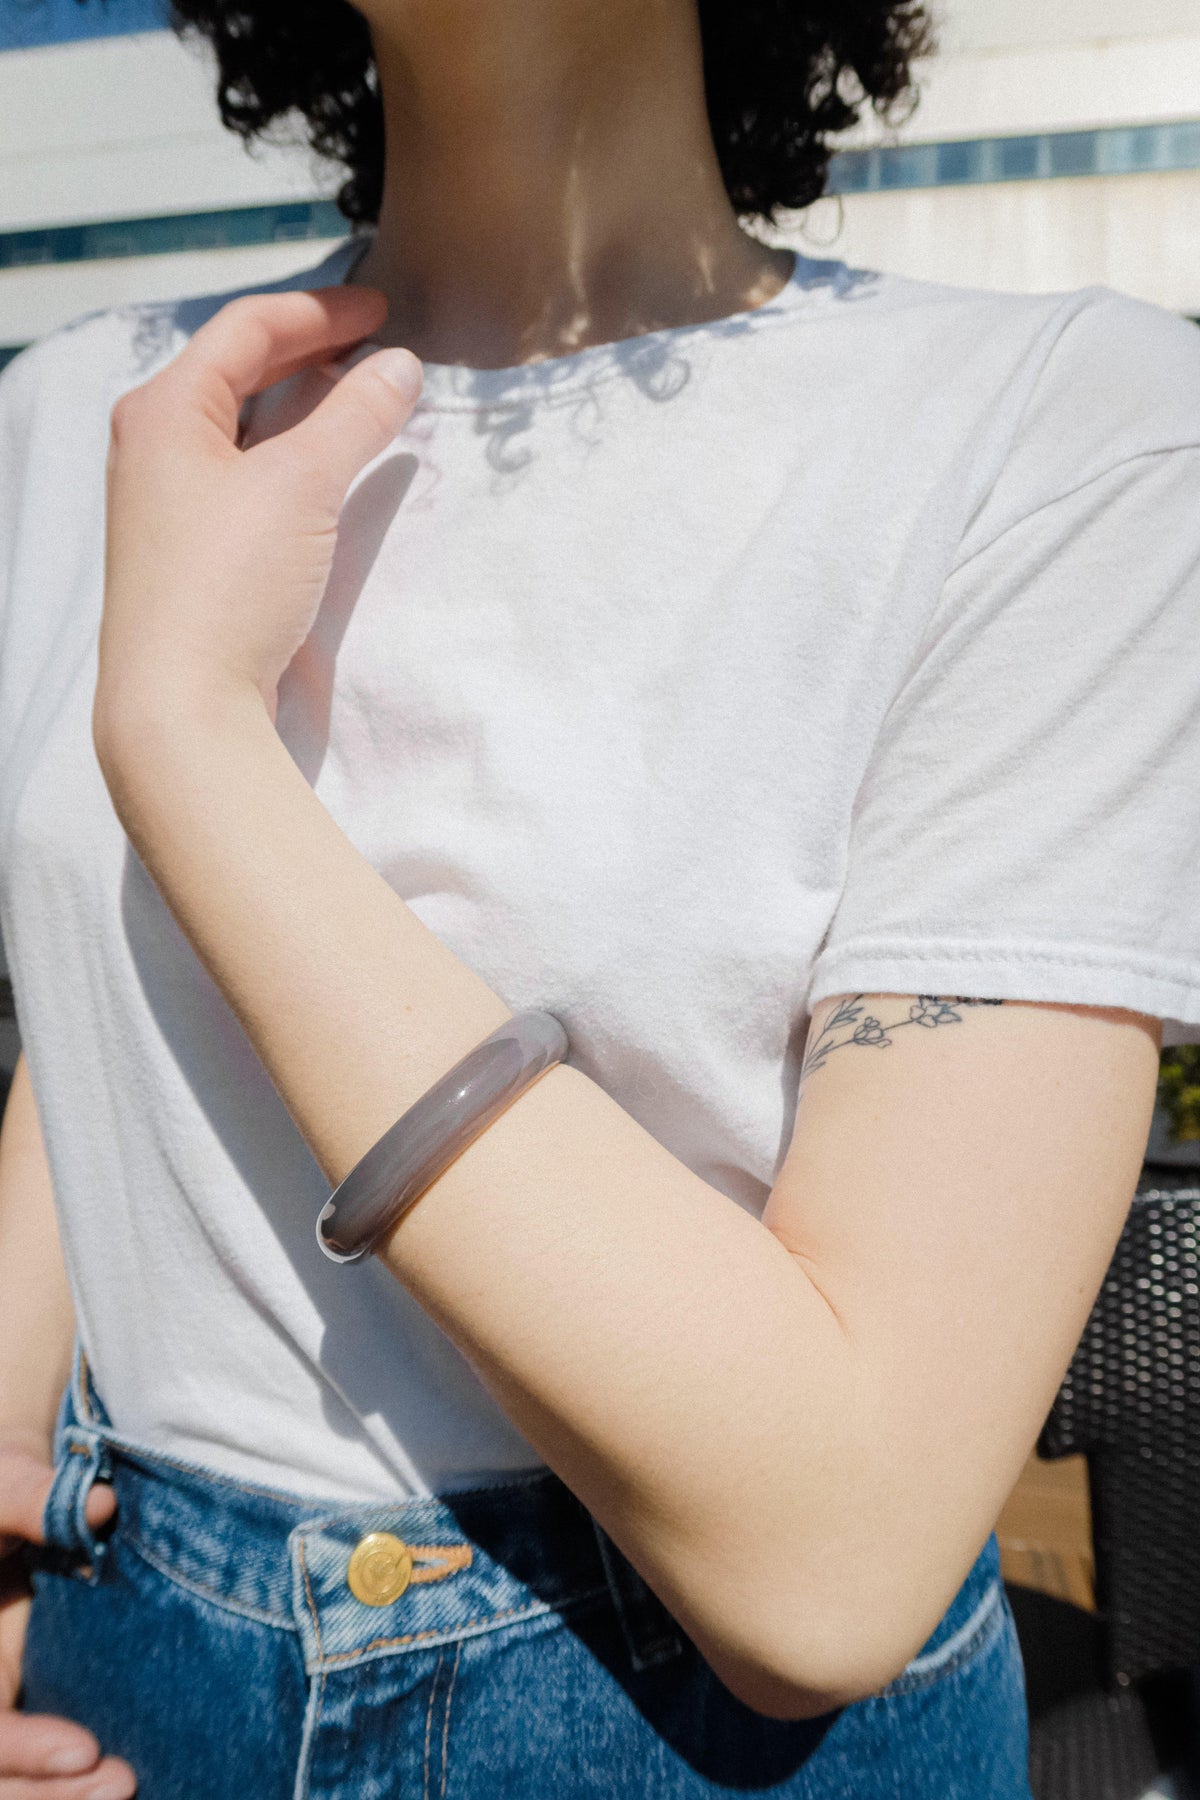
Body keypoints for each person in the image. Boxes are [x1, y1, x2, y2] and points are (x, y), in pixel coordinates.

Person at [1, 0, 1198, 1793]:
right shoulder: (82, 406)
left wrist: (186, 739)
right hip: (124, 1665)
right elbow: (102, 1007)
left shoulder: (1060, 427)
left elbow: (832, 1558)